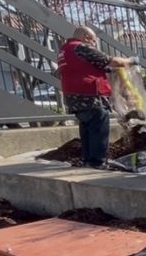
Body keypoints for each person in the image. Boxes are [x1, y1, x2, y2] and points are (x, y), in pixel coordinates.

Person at [58, 26, 138, 168]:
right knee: (99, 127)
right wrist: (131, 62)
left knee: (87, 127)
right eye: (94, 41)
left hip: (73, 97)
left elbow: (90, 67)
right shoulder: (81, 47)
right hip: (89, 95)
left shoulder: (64, 50)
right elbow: (110, 61)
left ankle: (88, 160)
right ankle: (98, 161)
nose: (94, 45)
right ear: (86, 37)